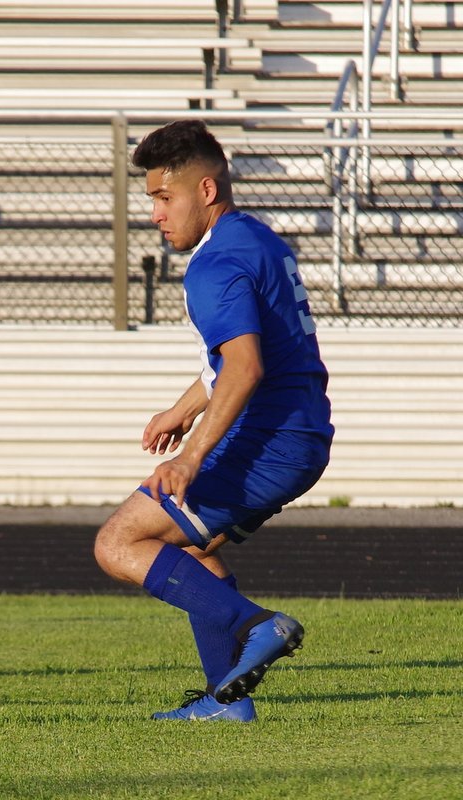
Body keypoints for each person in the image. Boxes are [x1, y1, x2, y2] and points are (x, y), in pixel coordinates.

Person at [92, 120, 333, 722]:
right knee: (190, 551)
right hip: (302, 434)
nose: (155, 213)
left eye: (164, 197)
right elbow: (238, 359)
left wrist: (190, 456)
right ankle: (227, 701)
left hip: (268, 439)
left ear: (206, 190)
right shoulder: (258, 239)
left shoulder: (213, 265)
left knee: (118, 543)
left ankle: (257, 625)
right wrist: (182, 410)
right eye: (150, 198)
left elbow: (245, 368)